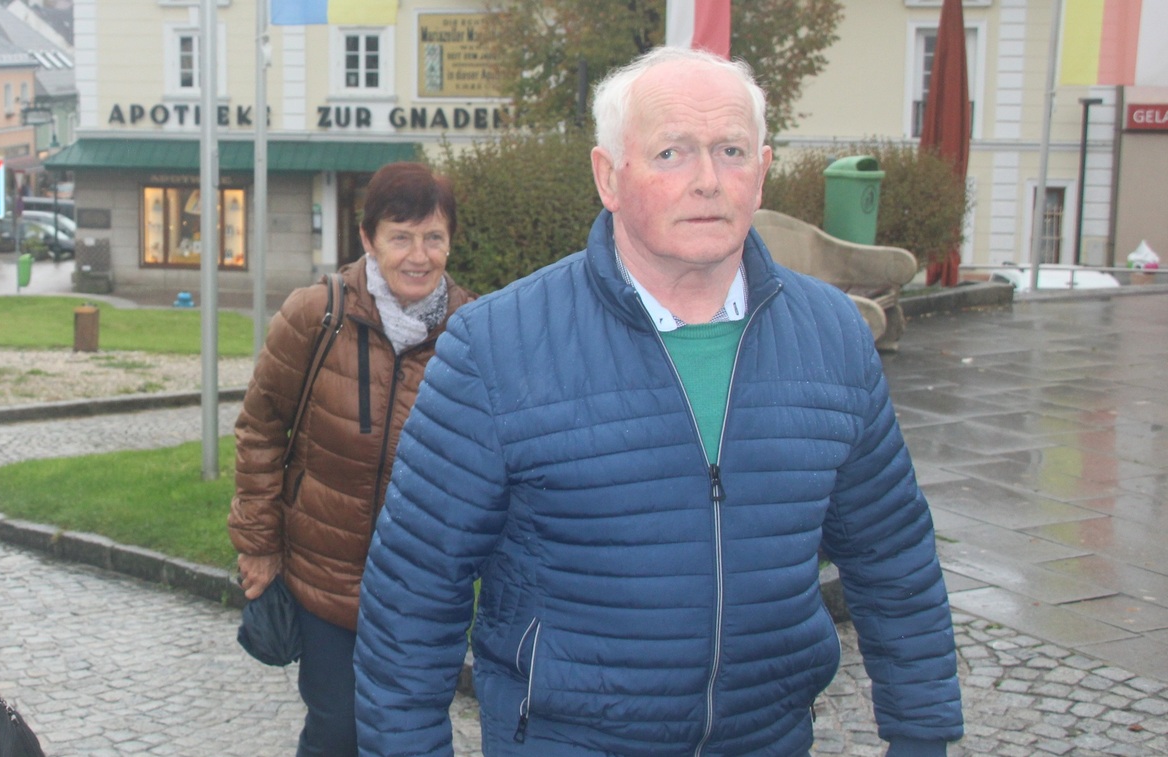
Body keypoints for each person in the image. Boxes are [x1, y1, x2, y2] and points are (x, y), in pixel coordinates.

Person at [353, 48, 963, 756]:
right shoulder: (496, 347)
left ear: (762, 170)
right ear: (609, 177)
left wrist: (922, 735)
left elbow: (895, 558)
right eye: (671, 152)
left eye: (731, 150)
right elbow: (414, 592)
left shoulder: (833, 337)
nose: (707, 180)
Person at [229, 162, 475, 757]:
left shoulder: (475, 333)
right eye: (400, 236)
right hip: (324, 578)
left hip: (423, 590)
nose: (419, 255)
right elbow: (261, 428)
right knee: (338, 729)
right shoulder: (316, 315)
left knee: (409, 736)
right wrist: (258, 545)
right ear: (367, 238)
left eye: (434, 237)